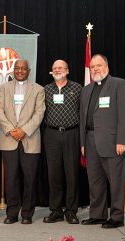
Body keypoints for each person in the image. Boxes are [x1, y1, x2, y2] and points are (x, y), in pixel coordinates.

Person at [80, 54, 125, 228]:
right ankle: (98, 215)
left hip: (112, 142)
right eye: (93, 66)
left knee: (116, 181)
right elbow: (83, 119)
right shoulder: (87, 89)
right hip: (90, 141)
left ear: (107, 66)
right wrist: (82, 143)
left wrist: (122, 141)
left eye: (99, 65)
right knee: (95, 182)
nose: (96, 69)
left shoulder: (119, 84)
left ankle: (117, 217)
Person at [0, 59, 45, 224]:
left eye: (24, 68)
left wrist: (24, 130)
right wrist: (11, 130)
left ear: (29, 71)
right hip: (9, 139)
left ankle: (27, 214)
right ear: (13, 70)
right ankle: (11, 213)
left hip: (30, 139)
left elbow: (39, 113)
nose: (20, 71)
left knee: (30, 179)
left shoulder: (38, 89)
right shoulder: (4, 88)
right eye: (17, 68)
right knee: (11, 179)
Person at [43, 60, 81, 224]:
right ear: (51, 71)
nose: (58, 70)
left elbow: (83, 111)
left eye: (61, 68)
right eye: (55, 68)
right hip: (51, 134)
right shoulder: (46, 89)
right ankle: (56, 210)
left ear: (67, 70)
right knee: (54, 174)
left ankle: (71, 211)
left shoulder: (77, 88)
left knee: (72, 174)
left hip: (72, 133)